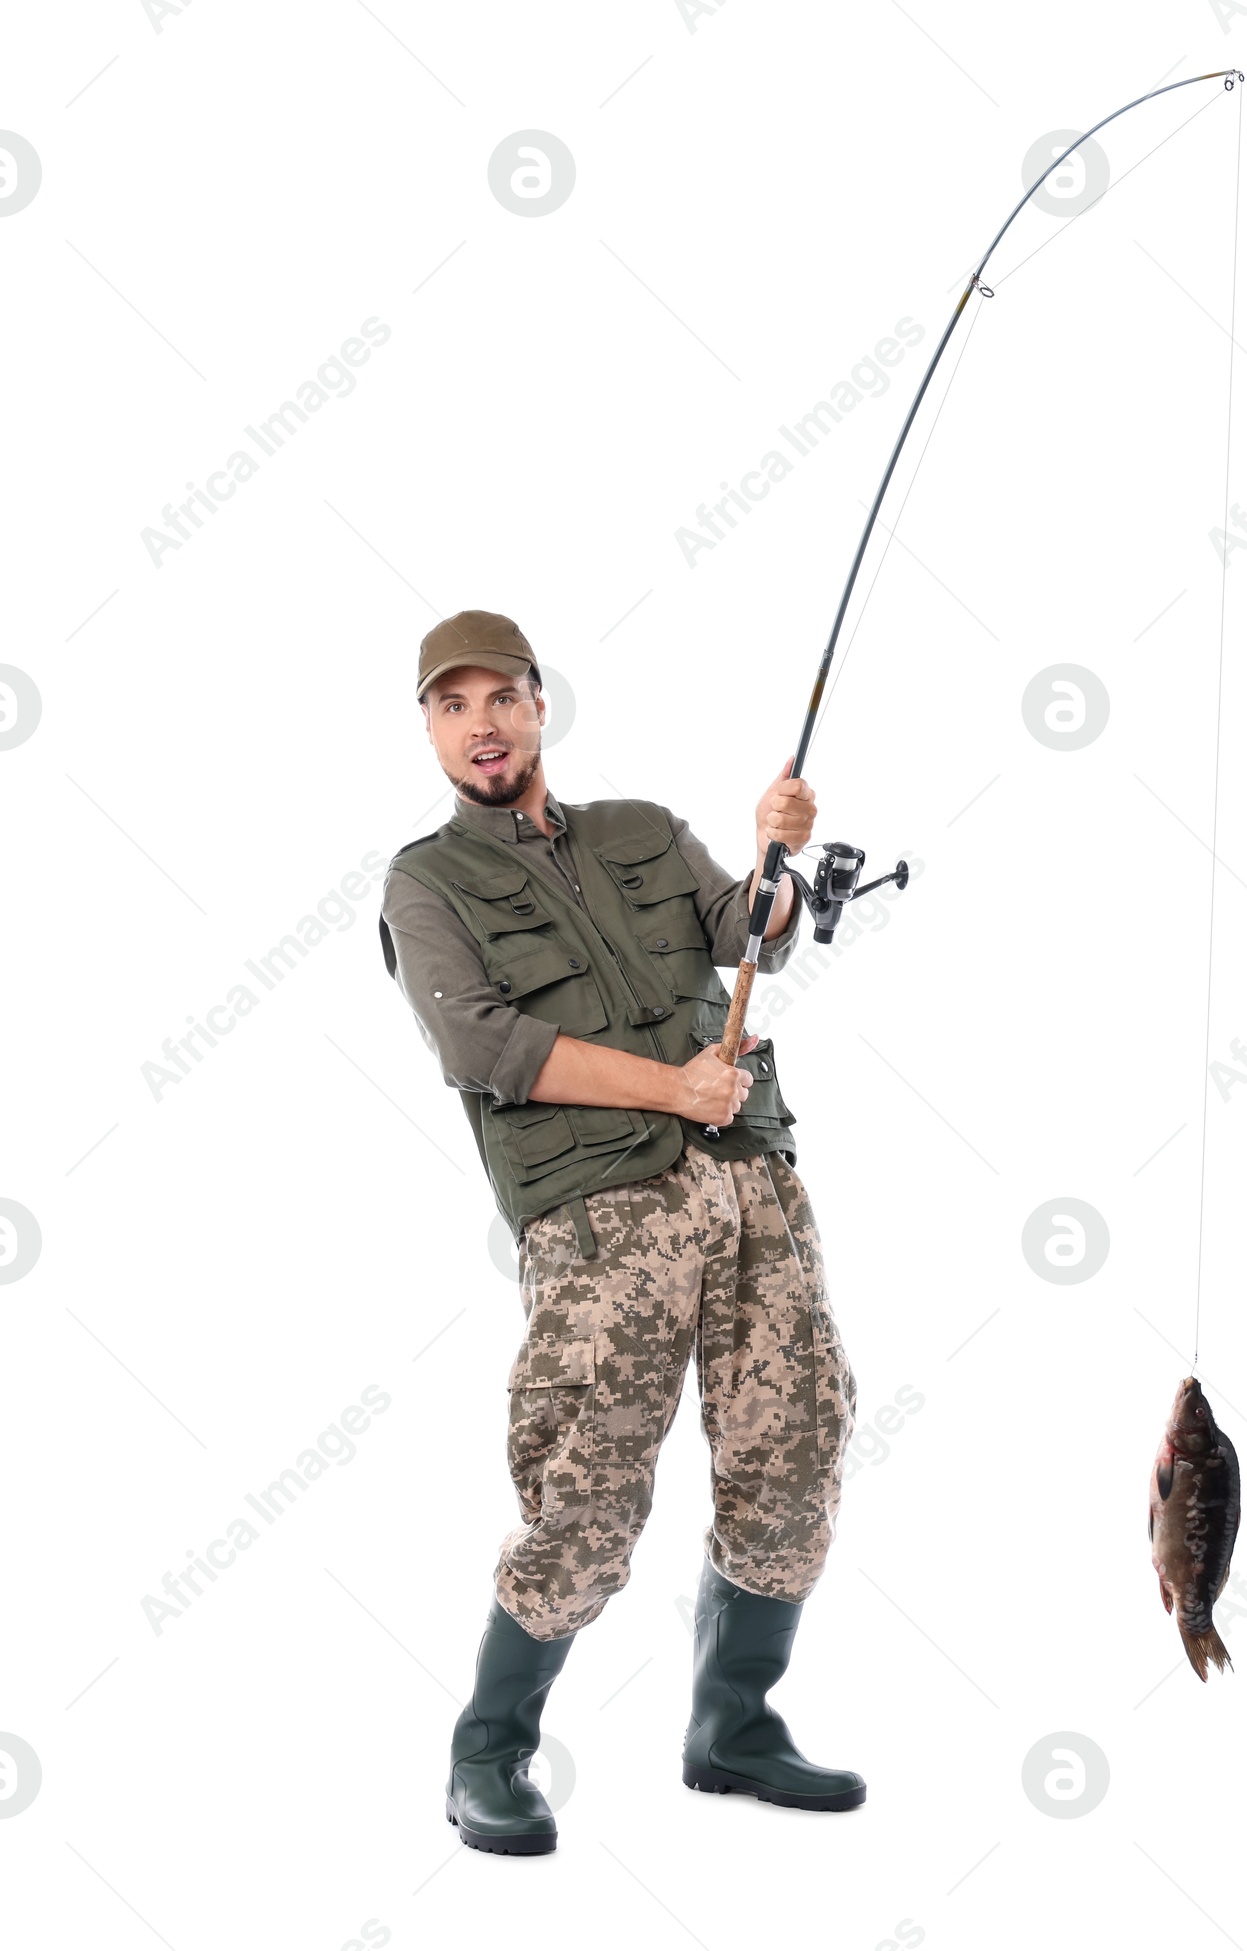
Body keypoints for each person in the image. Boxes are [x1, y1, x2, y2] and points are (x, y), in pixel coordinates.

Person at [378, 610, 863, 1855]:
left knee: (796, 1446)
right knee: (585, 1485)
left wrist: (777, 865)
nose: (480, 723)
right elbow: (486, 1047)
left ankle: (735, 1727)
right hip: (601, 1216)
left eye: (500, 697)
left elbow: (744, 933)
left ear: (543, 705)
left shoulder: (641, 830)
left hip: (751, 1178)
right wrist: (670, 1089)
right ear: (430, 729)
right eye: (452, 704)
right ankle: (489, 1752)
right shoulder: (426, 882)